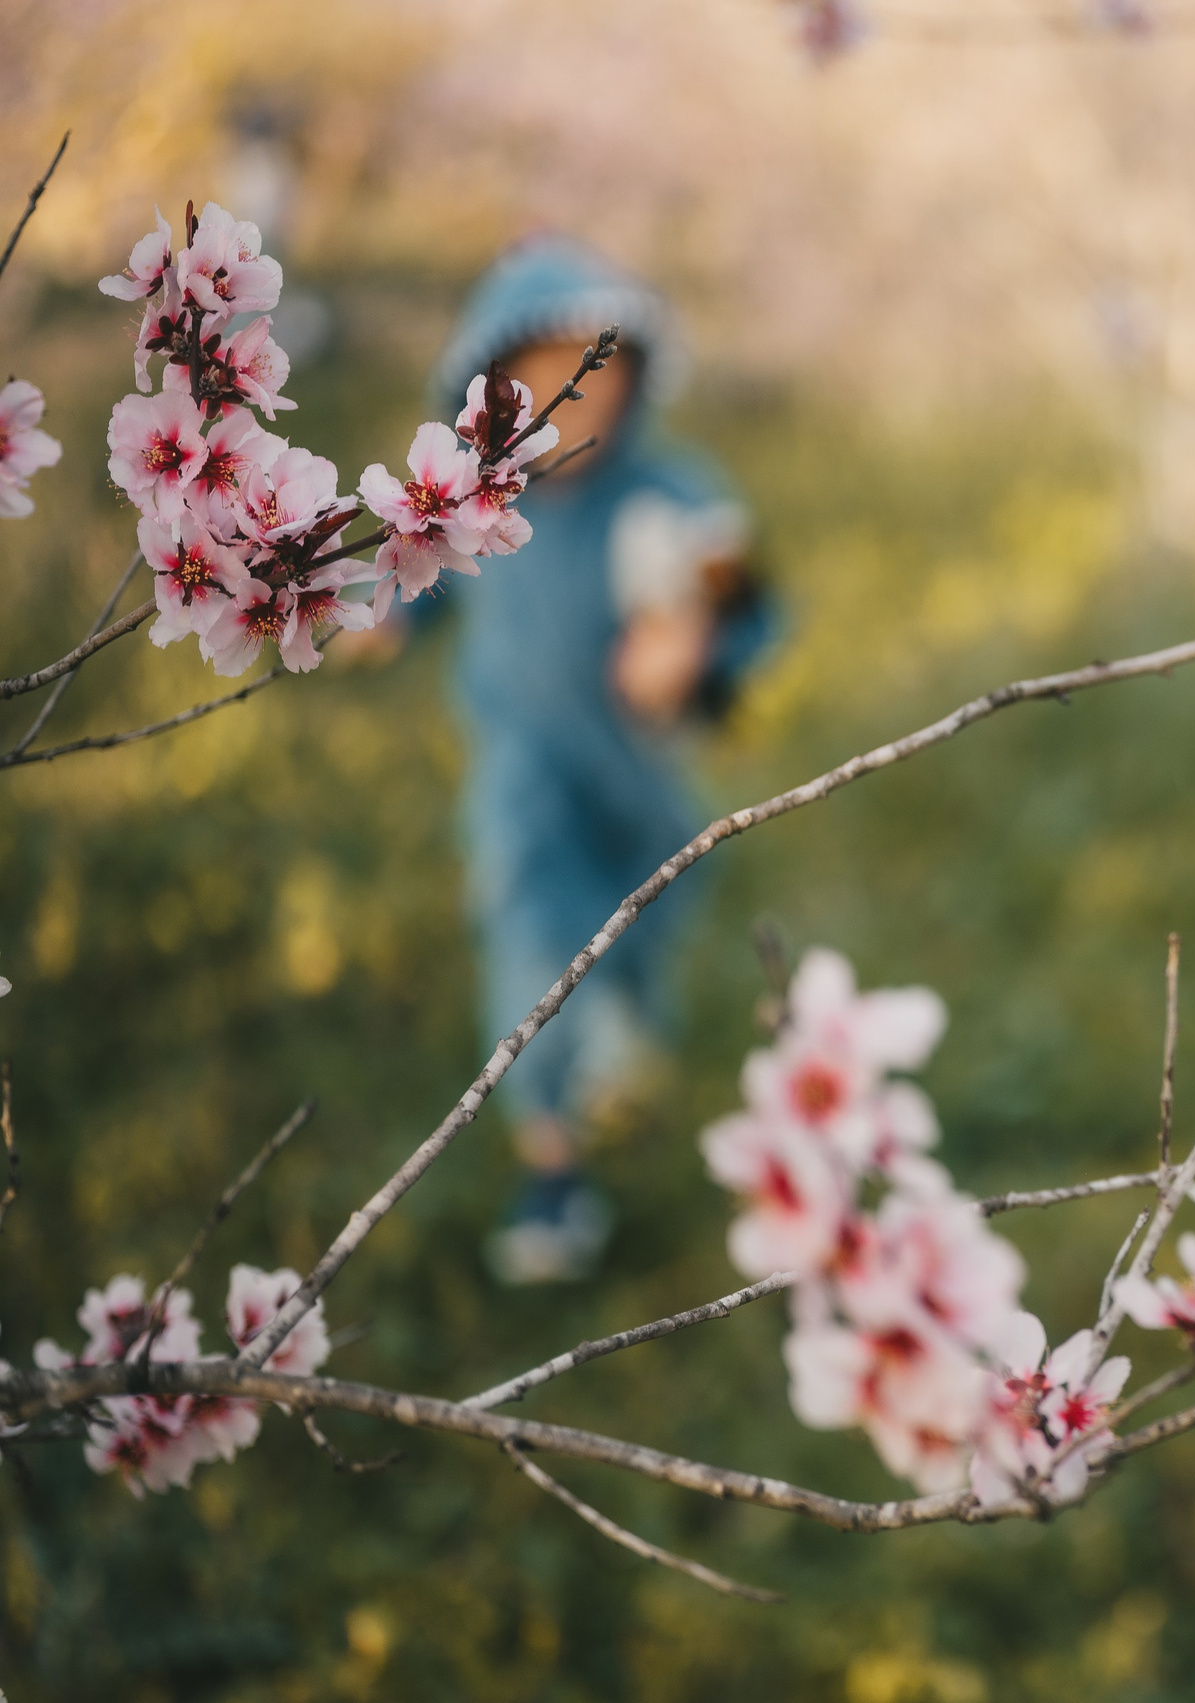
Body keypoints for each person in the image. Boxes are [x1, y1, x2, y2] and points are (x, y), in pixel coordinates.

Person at [394, 238, 773, 1283]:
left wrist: (695, 650)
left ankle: (619, 1039)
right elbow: (413, 584)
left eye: (600, 369)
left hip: (640, 784)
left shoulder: (675, 496)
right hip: (525, 772)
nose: (579, 396)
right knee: (532, 931)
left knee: (637, 946)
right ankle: (550, 1164)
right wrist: (369, 615)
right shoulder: (478, 506)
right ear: (493, 393)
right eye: (547, 376)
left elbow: (750, 606)